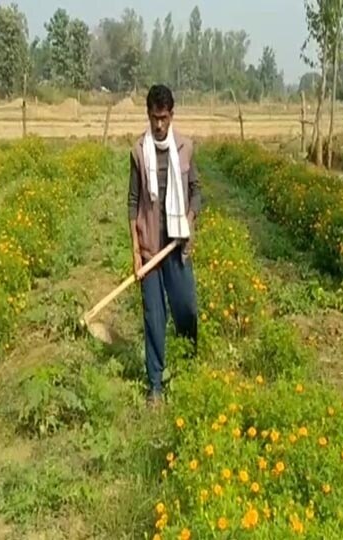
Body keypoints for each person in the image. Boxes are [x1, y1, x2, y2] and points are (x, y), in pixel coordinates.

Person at [127, 84, 200, 405]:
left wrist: (190, 215)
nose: (159, 125)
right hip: (150, 249)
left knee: (186, 309)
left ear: (172, 115)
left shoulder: (184, 147)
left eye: (164, 118)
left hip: (176, 247)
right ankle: (155, 385)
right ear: (148, 115)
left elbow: (197, 191)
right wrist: (135, 252)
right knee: (154, 316)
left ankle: (188, 366)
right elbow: (132, 202)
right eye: (155, 118)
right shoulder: (137, 151)